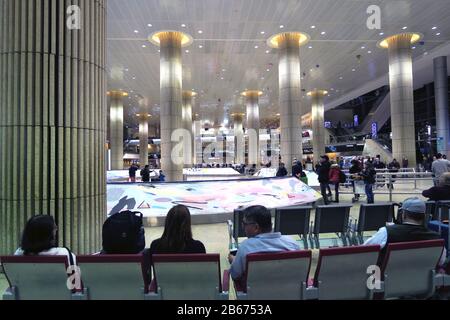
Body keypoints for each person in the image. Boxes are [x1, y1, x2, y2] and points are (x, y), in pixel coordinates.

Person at [364, 197, 446, 267]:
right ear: (424, 216)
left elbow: (365, 250)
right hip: (423, 283)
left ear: (403, 214)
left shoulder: (387, 232)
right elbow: (441, 262)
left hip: (389, 281)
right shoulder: (436, 238)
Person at [228, 206, 299, 281]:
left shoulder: (245, 247)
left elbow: (235, 275)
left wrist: (234, 261)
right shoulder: (292, 244)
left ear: (256, 227)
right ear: (270, 225)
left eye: (244, 224)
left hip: (255, 292)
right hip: (288, 290)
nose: (243, 227)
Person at [143, 205, 206, 284]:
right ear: (188, 224)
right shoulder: (198, 247)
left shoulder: (155, 246)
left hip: (164, 292)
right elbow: (201, 274)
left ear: (167, 222)